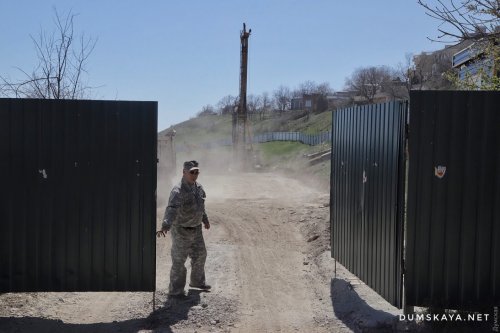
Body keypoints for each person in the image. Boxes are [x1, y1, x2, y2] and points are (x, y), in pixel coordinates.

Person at [157, 160, 211, 298]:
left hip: (196, 228)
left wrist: (205, 220)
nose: (195, 175)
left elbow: (201, 206)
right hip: (181, 229)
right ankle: (176, 290)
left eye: (196, 172)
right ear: (184, 173)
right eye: (192, 172)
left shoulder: (199, 188)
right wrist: (166, 225)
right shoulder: (177, 190)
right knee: (179, 260)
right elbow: (171, 209)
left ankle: (197, 282)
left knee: (200, 255)